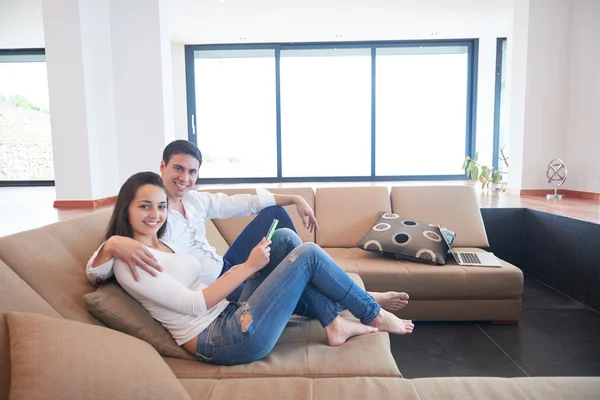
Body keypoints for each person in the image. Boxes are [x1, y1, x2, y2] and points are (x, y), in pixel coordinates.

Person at [98, 171, 414, 365]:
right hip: (223, 340)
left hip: (230, 312)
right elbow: (193, 304)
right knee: (308, 254)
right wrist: (248, 267)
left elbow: (246, 203)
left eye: (160, 206)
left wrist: (113, 242)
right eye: (144, 206)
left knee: (287, 238)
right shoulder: (131, 261)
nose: (155, 214)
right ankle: (371, 311)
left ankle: (336, 322)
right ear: (125, 208)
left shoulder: (159, 242)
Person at [86, 140, 409, 313]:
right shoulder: (151, 213)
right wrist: (111, 244)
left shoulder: (197, 201)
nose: (185, 178)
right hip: (220, 288)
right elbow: (96, 271)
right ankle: (360, 299)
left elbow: (245, 202)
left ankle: (346, 294)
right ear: (163, 167)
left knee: (276, 219)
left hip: (226, 266)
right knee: (293, 278)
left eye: (193, 172)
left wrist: (295, 198)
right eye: (178, 169)